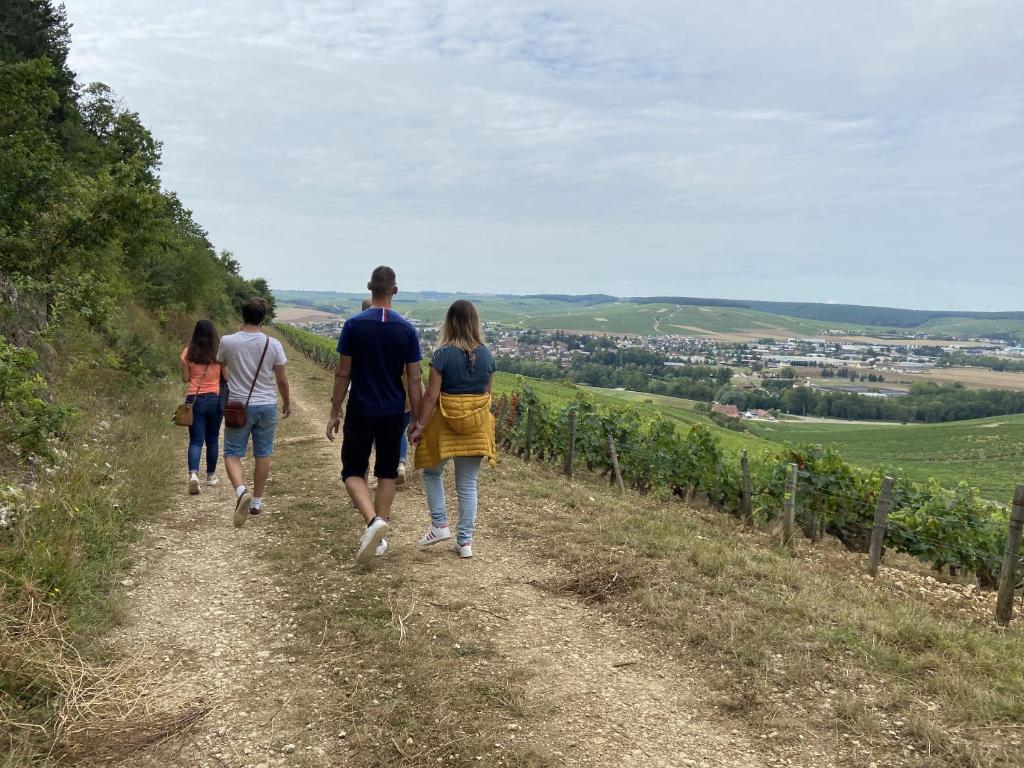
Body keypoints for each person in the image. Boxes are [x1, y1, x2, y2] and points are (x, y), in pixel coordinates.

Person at [326, 267, 423, 564]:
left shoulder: (353, 325)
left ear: (369, 287)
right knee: (386, 472)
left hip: (361, 407)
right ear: (395, 290)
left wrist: (334, 410)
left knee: (352, 471)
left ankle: (372, 523)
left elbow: (344, 372)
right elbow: (415, 378)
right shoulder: (406, 329)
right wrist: (418, 419)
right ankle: (379, 536)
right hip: (393, 410)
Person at [409, 300, 496, 559]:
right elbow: (487, 395)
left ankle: (439, 524)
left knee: (432, 472)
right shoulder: (488, 355)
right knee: (468, 484)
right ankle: (465, 542)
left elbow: (431, 397)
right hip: (476, 428)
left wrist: (419, 425)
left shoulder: (442, 354)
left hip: (444, 425)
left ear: (450, 322)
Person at [217, 297, 290, 526]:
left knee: (232, 452)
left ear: (242, 315)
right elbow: (282, 379)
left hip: (238, 406)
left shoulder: (227, 341)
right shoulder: (273, 344)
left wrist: (233, 380)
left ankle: (241, 491)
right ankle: (257, 501)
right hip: (267, 405)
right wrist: (287, 402)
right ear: (264, 318)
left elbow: (222, 364)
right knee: (263, 453)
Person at [180, 319, 224, 495]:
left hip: (194, 399)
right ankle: (211, 476)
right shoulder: (219, 353)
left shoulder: (187, 353)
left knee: (196, 440)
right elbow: (227, 376)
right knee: (212, 439)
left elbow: (185, 379)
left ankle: (193, 474)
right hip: (215, 398)